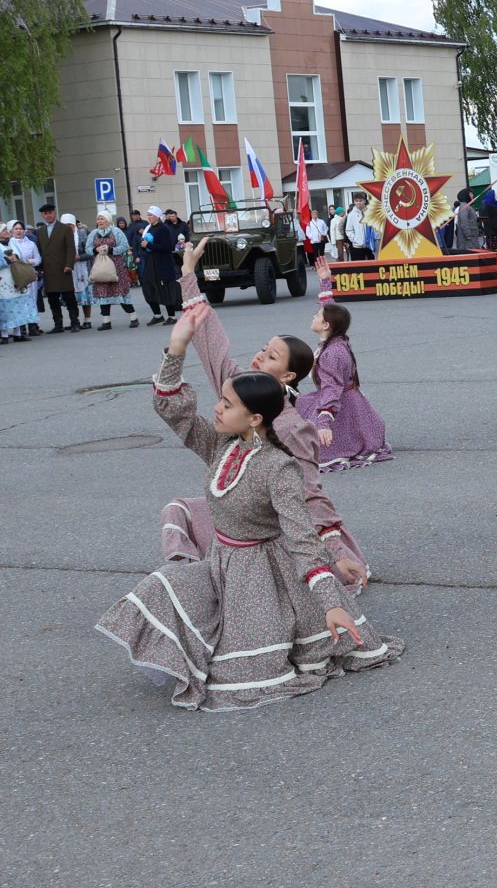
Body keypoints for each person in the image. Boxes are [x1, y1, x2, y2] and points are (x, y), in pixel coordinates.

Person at [94, 311, 401, 711]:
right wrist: (178, 347)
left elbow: (302, 539)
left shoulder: (280, 467)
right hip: (222, 560)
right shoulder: (221, 445)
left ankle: (300, 625)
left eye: (227, 403)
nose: (217, 409)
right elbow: (175, 412)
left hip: (264, 573)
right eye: (221, 400)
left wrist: (332, 599)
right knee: (162, 584)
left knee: (245, 665)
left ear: (255, 419)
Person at [163, 254, 370, 592]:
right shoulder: (240, 388)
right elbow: (213, 348)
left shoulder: (291, 426)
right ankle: (197, 580)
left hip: (274, 528)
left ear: (288, 375)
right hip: (238, 516)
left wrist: (333, 548)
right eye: (262, 349)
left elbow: (307, 493)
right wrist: (189, 277)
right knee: (179, 510)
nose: (258, 356)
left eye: (271, 356)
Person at [294, 289, 395, 469]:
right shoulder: (337, 340)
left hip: (341, 406)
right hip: (350, 400)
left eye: (317, 315)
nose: (313, 316)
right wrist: (325, 283)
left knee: (312, 448)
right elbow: (333, 313)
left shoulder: (331, 354)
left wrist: (323, 423)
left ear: (326, 325)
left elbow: (331, 390)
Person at [83, 212, 138, 330]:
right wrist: (95, 250)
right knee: (103, 293)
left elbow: (125, 245)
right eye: (98, 219)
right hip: (100, 267)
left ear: (108, 220)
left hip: (116, 266)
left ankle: (133, 317)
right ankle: (106, 321)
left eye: (102, 219)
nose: (99, 221)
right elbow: (87, 249)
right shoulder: (93, 233)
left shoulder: (117, 231)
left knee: (121, 292)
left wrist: (110, 250)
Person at [34, 202, 79, 332]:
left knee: (69, 297)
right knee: (53, 299)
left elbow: (71, 249)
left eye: (50, 213)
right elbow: (39, 250)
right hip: (48, 270)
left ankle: (74, 322)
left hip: (63, 268)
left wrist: (69, 265)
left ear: (55, 213)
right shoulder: (40, 231)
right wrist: (39, 268)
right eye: (45, 213)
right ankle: (58, 324)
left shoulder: (65, 228)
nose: (48, 215)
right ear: (43, 215)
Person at [0, 222, 36, 343]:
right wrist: (7, 260)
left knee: (18, 306)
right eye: (4, 230)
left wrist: (17, 258)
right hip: (3, 281)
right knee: (5, 309)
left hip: (16, 279)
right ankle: (4, 335)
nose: (7, 231)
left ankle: (18, 333)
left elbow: (20, 257)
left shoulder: (12, 243)